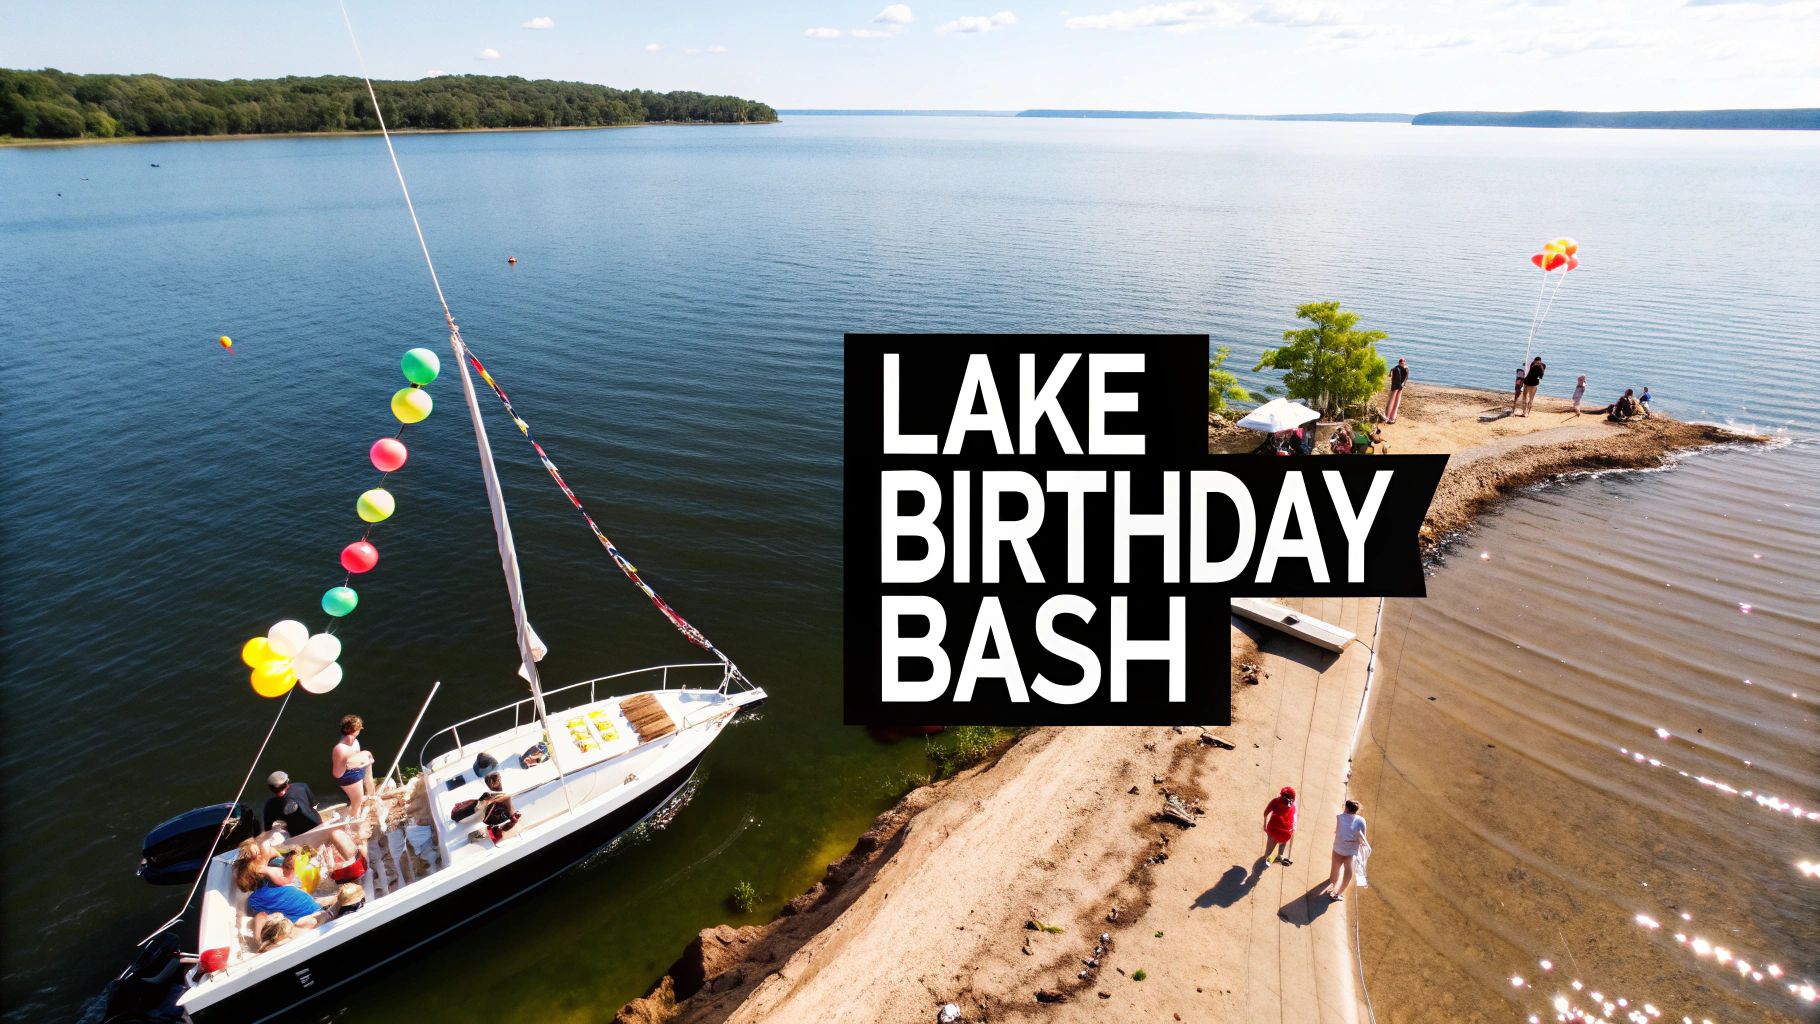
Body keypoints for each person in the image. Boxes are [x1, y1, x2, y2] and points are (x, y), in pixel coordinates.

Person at [247, 856, 335, 930]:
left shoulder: (256, 899)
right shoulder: (258, 898)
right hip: (317, 916)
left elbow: (264, 917)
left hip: (312, 918)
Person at [1320, 799, 1369, 902]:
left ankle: (1331, 884)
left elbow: (1337, 831)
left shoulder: (1340, 817)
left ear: (1346, 808)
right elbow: (1363, 839)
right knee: (1348, 875)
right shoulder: (1361, 821)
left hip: (1338, 848)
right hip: (1350, 852)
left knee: (1335, 869)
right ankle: (1336, 894)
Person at [331, 714, 377, 821]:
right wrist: (353, 766)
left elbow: (352, 757)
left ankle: (356, 803)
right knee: (357, 801)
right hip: (349, 776)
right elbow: (337, 774)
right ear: (356, 729)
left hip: (355, 771)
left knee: (358, 797)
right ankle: (354, 822)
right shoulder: (340, 749)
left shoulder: (354, 741)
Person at [474, 772, 521, 844]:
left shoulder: (486, 794)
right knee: (515, 819)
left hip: (485, 818)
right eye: (498, 779)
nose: (500, 780)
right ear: (498, 781)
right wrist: (514, 818)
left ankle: (497, 829)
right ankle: (499, 831)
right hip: (493, 821)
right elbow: (511, 815)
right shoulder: (505, 796)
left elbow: (478, 806)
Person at [1262, 786, 1297, 866]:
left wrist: (1264, 825)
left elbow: (1265, 813)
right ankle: (1279, 856)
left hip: (1273, 830)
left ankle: (1269, 859)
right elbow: (1294, 825)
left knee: (1268, 852)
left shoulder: (1275, 801)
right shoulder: (1293, 808)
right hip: (1286, 834)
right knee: (1281, 842)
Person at [1386, 358, 1409, 423]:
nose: (1403, 363)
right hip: (1396, 387)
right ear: (1400, 363)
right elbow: (1397, 379)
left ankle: (1392, 416)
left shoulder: (1403, 369)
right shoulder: (1396, 369)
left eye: (1404, 362)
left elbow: (1405, 378)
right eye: (1402, 362)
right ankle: (1388, 417)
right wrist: (1401, 385)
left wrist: (1403, 384)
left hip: (1398, 387)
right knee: (1392, 401)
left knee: (1396, 401)